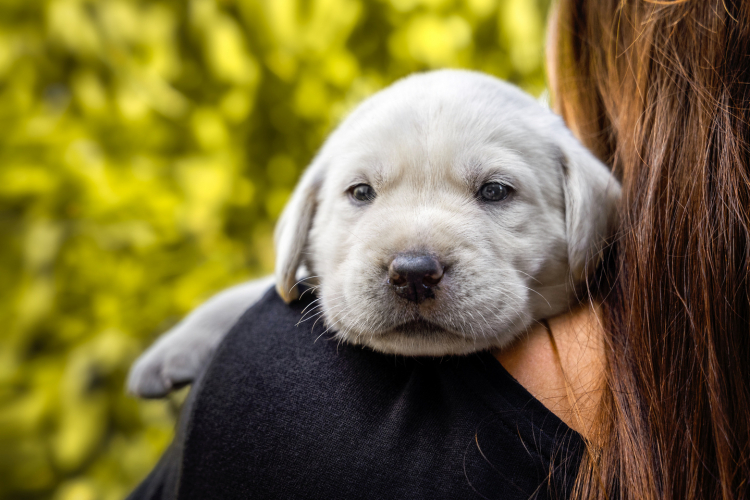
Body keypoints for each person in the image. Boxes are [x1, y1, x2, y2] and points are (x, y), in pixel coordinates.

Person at [129, 1, 750, 499]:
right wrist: (231, 315)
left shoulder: (273, 394)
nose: (415, 265)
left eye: (494, 191)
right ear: (301, 223)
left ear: (587, 212)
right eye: (363, 191)